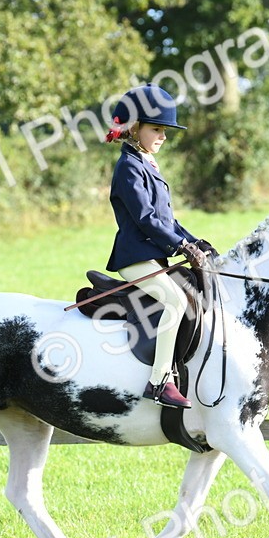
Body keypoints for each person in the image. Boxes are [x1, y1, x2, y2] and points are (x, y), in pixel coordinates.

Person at [104, 83, 218, 410]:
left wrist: (194, 242)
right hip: (133, 256)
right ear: (134, 127)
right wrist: (181, 245)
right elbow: (145, 219)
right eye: (157, 129)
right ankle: (159, 382)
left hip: (151, 254)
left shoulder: (146, 163)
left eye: (165, 130)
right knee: (175, 302)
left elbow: (166, 219)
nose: (163, 136)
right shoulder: (128, 167)